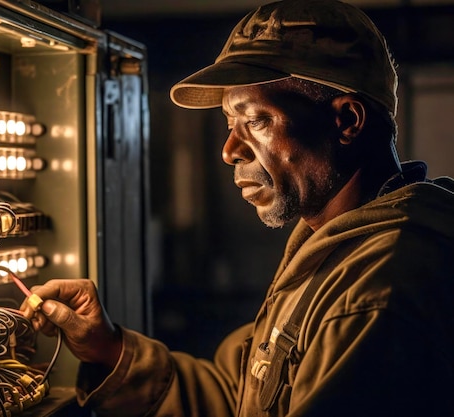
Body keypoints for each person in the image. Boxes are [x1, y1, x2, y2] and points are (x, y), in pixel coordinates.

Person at [28, 0, 454, 415]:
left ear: (347, 121)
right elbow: (244, 394)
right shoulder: (335, 253)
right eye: (229, 126)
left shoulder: (382, 289)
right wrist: (108, 349)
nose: (229, 151)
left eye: (255, 120)